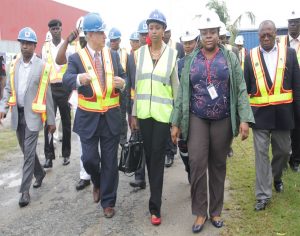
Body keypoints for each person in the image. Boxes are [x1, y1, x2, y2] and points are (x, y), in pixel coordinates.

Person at [171, 10, 254, 233]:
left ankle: (215, 211)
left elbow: (240, 88)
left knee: (218, 164)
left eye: (212, 32)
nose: (208, 35)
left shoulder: (230, 58)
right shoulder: (190, 60)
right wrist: (176, 122)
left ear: (218, 34)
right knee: (197, 163)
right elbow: (181, 94)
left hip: (223, 119)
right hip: (197, 118)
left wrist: (245, 118)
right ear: (200, 35)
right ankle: (200, 213)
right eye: (204, 32)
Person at [63, 12, 126, 218]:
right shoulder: (76, 58)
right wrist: (79, 79)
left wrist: (123, 83)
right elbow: (66, 79)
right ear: (89, 35)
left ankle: (108, 202)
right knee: (90, 159)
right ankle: (97, 181)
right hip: (88, 118)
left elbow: (124, 77)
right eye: (100, 33)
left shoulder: (112, 55)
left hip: (110, 118)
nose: (104, 37)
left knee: (110, 161)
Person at [244, 20, 300, 211]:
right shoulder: (250, 56)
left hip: (284, 115)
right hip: (259, 116)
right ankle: (263, 195)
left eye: (269, 34)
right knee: (261, 155)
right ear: (258, 35)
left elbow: (296, 85)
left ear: (276, 33)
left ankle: (276, 177)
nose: (266, 37)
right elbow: (245, 86)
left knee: (284, 152)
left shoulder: (290, 54)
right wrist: (244, 116)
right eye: (262, 35)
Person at [131, 9, 179, 225]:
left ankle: (155, 207)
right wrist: (133, 114)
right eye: (151, 27)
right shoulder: (139, 54)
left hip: (162, 117)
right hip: (143, 115)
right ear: (147, 30)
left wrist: (176, 120)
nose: (154, 31)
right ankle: (154, 194)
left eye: (158, 27)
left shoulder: (172, 55)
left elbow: (176, 89)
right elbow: (136, 85)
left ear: (164, 30)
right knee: (149, 158)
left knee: (157, 159)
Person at [0, 27, 56, 207]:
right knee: (26, 151)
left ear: (34, 46)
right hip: (18, 115)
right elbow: (8, 89)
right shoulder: (13, 65)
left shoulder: (42, 67)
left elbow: (47, 95)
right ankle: (39, 173)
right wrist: (3, 108)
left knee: (28, 154)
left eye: (28, 44)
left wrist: (52, 121)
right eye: (22, 43)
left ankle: (24, 191)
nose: (25, 46)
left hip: (33, 116)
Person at [55, 17, 91, 191]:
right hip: (80, 101)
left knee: (98, 139)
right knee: (83, 139)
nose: (85, 39)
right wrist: (68, 40)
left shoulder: (100, 49)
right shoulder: (74, 51)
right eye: (82, 35)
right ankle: (85, 175)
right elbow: (59, 59)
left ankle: (98, 170)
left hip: (99, 102)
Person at [42, 19, 72, 168]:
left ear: (61, 28)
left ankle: (66, 154)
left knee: (66, 123)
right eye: (52, 28)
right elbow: (43, 68)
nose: (55, 31)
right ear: (49, 30)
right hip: (50, 89)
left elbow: (71, 68)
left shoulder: (68, 46)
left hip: (64, 88)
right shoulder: (45, 47)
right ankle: (48, 156)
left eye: (57, 28)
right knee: (48, 122)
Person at [176, 28, 200, 183]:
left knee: (197, 147)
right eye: (185, 43)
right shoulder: (179, 64)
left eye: (190, 42)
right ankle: (189, 168)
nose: (188, 46)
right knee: (183, 146)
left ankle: (197, 174)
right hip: (183, 112)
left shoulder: (203, 60)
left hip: (199, 111)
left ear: (196, 42)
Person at [128, 20, 148, 190]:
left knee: (153, 144)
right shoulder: (132, 55)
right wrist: (130, 110)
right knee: (137, 141)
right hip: (137, 104)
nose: (144, 37)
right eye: (141, 34)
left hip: (155, 106)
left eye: (146, 34)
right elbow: (129, 82)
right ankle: (139, 177)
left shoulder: (159, 54)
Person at [285, 11, 300, 172]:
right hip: (284, 90)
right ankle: (285, 156)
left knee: (297, 126)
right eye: (290, 22)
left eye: (296, 22)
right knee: (285, 126)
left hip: (299, 91)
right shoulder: (281, 42)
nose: (293, 25)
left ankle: (295, 159)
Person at [108, 27, 128, 146]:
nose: (113, 42)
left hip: (123, 90)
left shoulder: (126, 53)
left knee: (122, 116)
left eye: (115, 40)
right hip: (110, 92)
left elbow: (126, 73)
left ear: (119, 40)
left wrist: (124, 84)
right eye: (111, 40)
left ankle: (123, 139)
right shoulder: (105, 54)